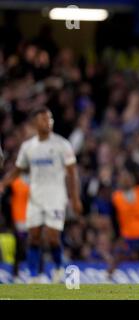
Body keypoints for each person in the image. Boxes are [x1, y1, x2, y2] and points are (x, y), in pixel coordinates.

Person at [0, 107, 83, 283]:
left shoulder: (62, 145)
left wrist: (74, 198)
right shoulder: (28, 147)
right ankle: (33, 276)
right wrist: (3, 183)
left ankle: (59, 268)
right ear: (35, 123)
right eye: (43, 119)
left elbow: (72, 172)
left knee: (53, 236)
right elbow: (17, 170)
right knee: (34, 236)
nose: (47, 122)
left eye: (49, 119)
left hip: (55, 196)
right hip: (35, 197)